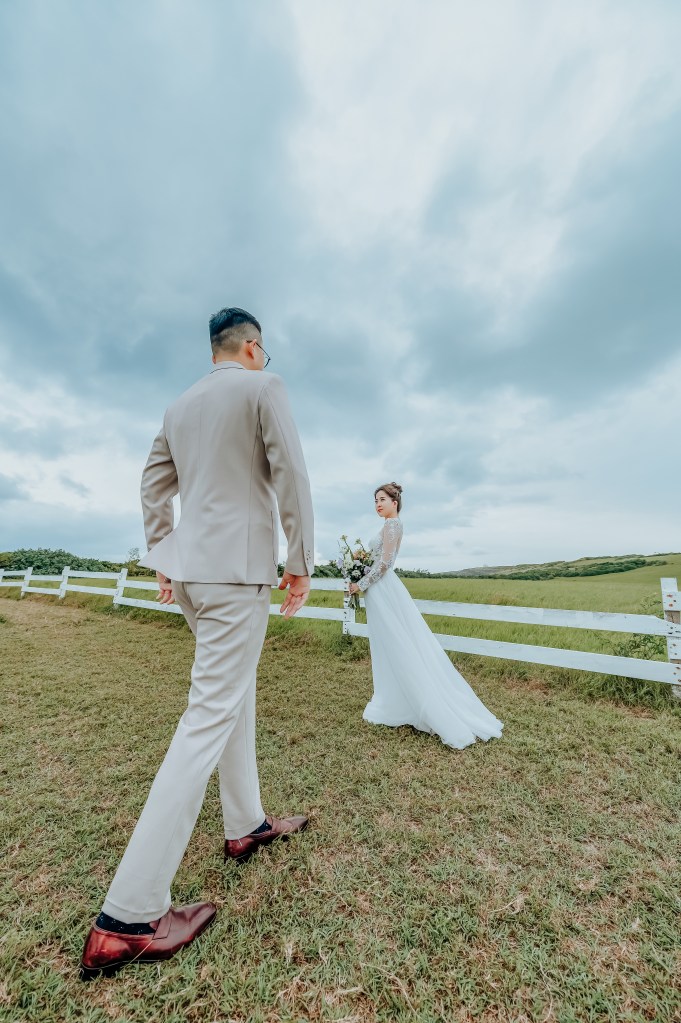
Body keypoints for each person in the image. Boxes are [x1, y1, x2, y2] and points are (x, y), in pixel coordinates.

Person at [81, 307, 315, 979]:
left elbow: (153, 484)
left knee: (231, 695)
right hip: (237, 572)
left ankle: (247, 823)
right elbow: (291, 473)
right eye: (263, 352)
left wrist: (163, 557)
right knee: (208, 714)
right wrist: (300, 559)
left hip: (191, 574)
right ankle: (127, 917)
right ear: (251, 348)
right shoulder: (264, 387)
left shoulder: (178, 406)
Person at [348, 483, 502, 749]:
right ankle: (394, 701)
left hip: (382, 588)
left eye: (382, 499)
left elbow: (385, 564)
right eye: (375, 501)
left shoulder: (392, 525)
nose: (378, 504)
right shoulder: (389, 525)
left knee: (396, 644)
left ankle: (413, 704)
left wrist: (360, 584)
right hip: (379, 590)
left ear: (395, 502)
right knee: (387, 645)